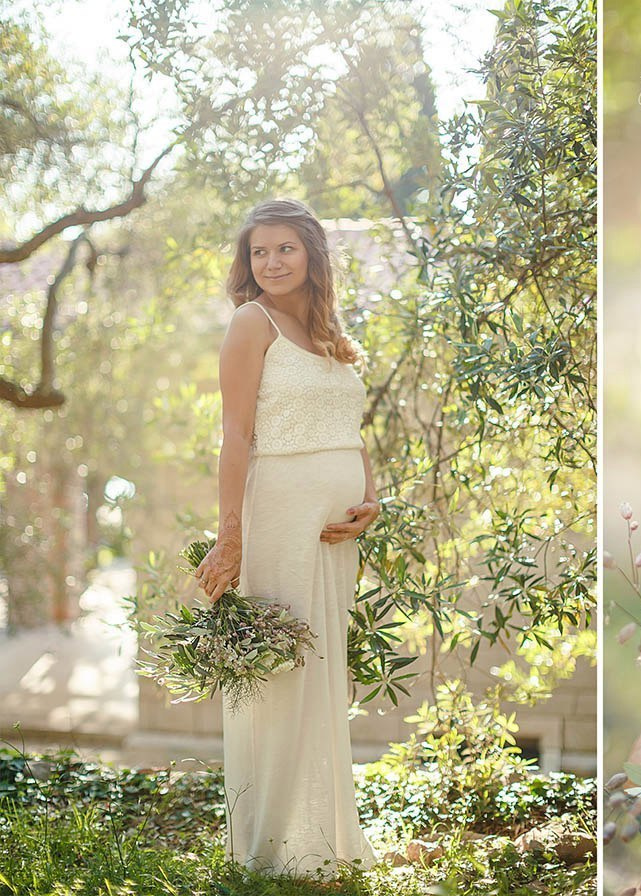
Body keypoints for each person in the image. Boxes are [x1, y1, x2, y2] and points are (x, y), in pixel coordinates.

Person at [192, 197, 380, 876]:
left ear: (312, 256)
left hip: (335, 532)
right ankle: (268, 850)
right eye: (258, 252)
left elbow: (350, 430)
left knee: (321, 675)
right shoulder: (252, 322)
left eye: (285, 249)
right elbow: (237, 434)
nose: (270, 262)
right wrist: (231, 536)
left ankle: (319, 843)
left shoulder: (329, 331)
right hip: (279, 516)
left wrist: (371, 498)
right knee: (279, 677)